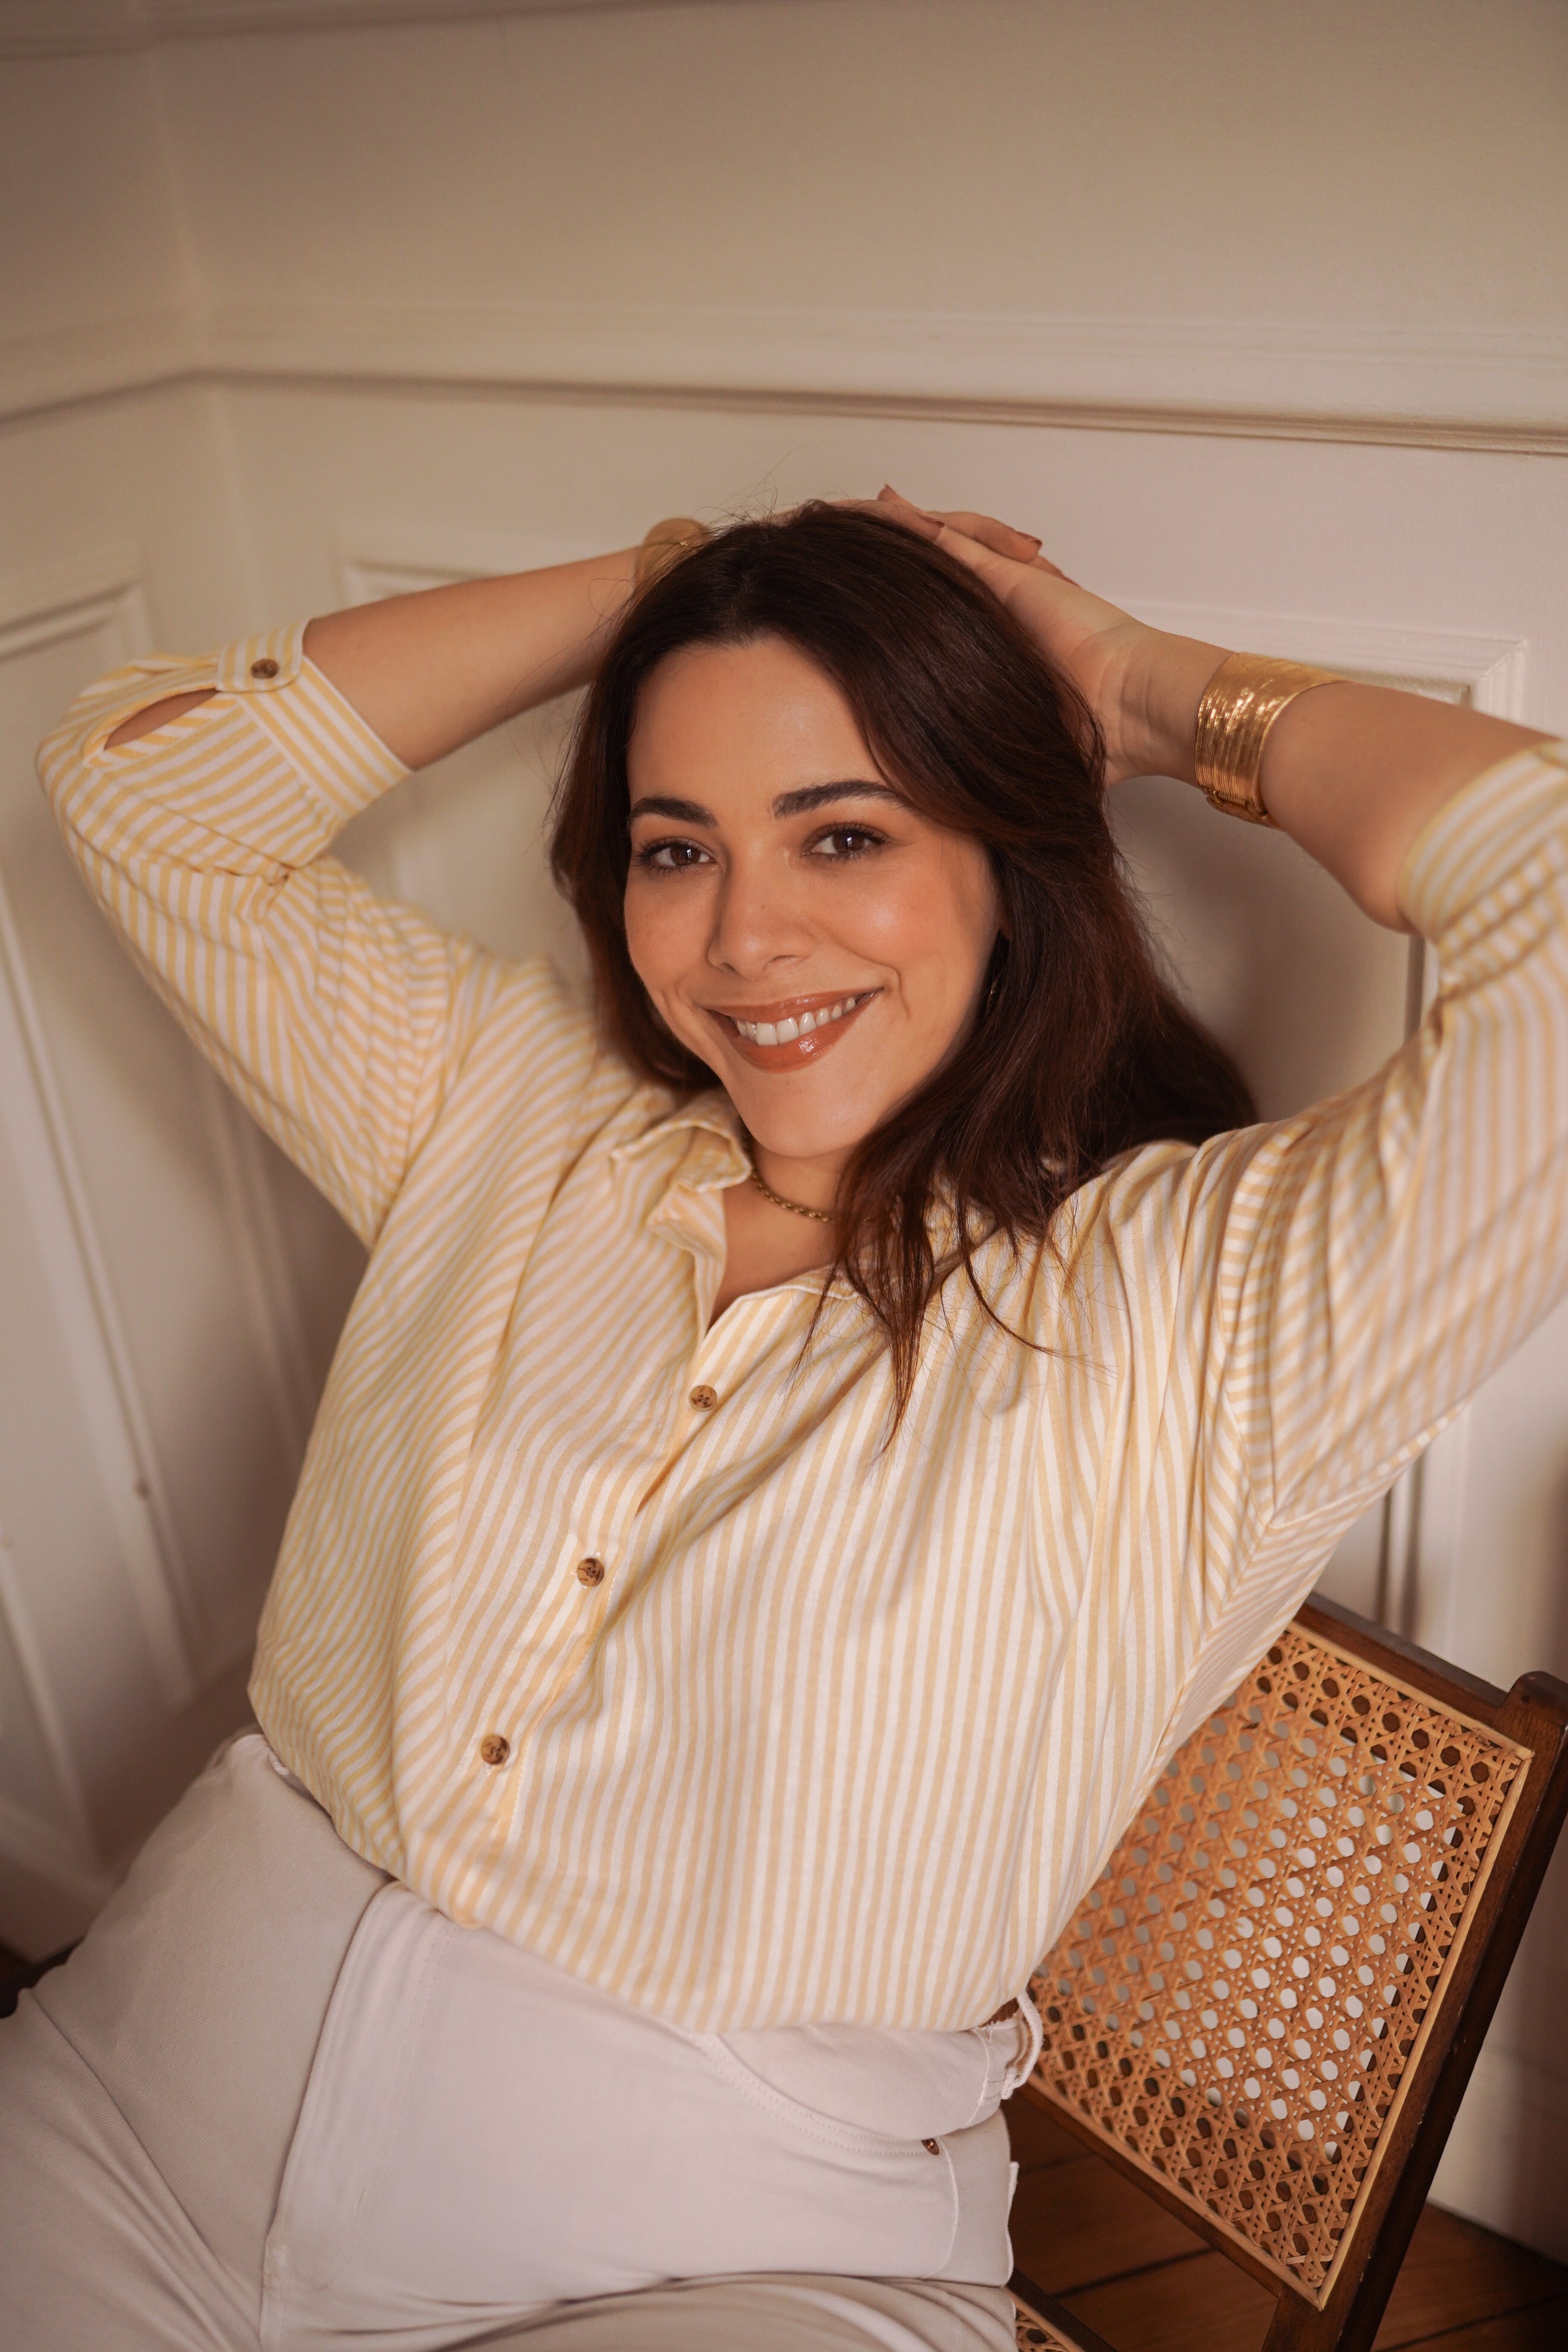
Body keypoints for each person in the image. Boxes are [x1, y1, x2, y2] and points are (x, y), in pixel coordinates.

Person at [1, 489, 1563, 2352]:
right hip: (126, 2110)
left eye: (844, 832)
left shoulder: (1195, 1315)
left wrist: (1143, 689)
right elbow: (141, 788)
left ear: (1011, 860)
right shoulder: (512, 1116)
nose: (745, 937)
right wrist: (673, 585)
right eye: (679, 847)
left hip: (723, 2268)